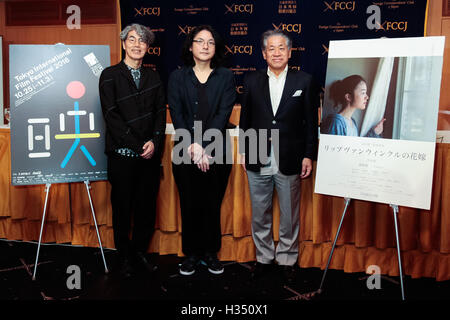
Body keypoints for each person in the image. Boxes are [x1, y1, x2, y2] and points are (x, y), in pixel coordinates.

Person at [239, 30, 318, 283]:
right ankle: (263, 257)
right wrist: (243, 150)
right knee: (260, 211)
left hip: (290, 156)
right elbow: (245, 120)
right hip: (258, 152)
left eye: (281, 48)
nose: (276, 52)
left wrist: (308, 155)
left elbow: (309, 124)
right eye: (271, 48)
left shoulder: (304, 81)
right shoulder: (251, 81)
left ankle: (286, 257)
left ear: (289, 52)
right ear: (263, 53)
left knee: (289, 213)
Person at [99, 24, 166, 277]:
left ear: (148, 47)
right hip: (122, 157)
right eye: (132, 40)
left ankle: (139, 253)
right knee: (122, 207)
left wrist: (154, 143)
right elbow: (111, 116)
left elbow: (160, 114)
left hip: (149, 157)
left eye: (143, 41)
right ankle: (123, 256)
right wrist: (138, 145)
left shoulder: (154, 77)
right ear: (124, 43)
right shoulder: (109, 75)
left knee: (146, 207)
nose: (138, 45)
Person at [168, 25, 236, 276]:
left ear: (215, 48)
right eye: (200, 41)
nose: (205, 46)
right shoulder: (178, 77)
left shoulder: (226, 76)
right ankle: (192, 254)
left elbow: (223, 114)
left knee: (211, 203)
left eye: (210, 42)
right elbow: (177, 113)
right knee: (189, 203)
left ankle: (210, 253)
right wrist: (194, 147)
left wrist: (205, 147)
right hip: (185, 151)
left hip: (217, 150)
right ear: (190, 46)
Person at [321, 75, 385, 137]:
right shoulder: (336, 122)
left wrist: (375, 132)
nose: (367, 97)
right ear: (348, 97)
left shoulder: (353, 122)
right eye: (363, 93)